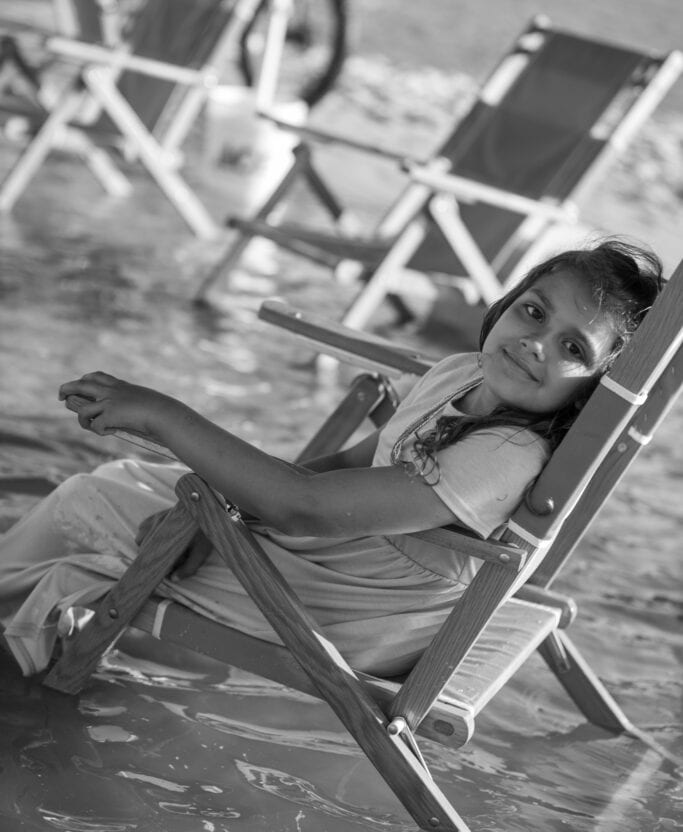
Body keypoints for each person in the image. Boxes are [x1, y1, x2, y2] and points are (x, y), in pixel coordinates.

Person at [0, 239, 663, 679]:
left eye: (572, 349)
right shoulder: (461, 373)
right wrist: (221, 513)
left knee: (86, 511)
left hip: (357, 614)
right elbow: (356, 461)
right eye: (531, 311)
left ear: (593, 388)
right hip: (334, 564)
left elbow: (305, 508)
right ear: (504, 303)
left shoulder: (508, 452)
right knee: (125, 481)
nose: (535, 343)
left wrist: (165, 415)